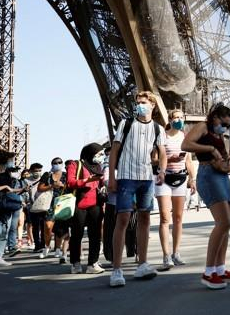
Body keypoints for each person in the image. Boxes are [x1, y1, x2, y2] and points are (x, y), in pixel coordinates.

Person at [108, 91, 167, 287]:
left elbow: (162, 152)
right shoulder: (126, 124)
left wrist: (162, 171)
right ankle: (117, 269)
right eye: (138, 102)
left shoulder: (158, 128)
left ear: (152, 105)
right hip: (126, 176)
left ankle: (142, 263)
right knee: (123, 218)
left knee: (145, 218)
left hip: (146, 178)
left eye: (143, 102)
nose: (139, 105)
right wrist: (111, 177)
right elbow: (114, 150)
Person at [182, 103, 230, 290]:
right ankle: (208, 272)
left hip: (221, 176)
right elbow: (186, 144)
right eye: (223, 123)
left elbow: (222, 155)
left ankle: (220, 268)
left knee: (225, 225)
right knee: (223, 223)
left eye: (227, 126)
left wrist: (227, 159)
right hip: (208, 175)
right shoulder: (203, 127)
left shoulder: (218, 133)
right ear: (215, 117)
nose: (225, 128)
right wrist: (209, 149)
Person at [156, 109, 196, 270]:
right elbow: (153, 158)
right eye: (176, 118)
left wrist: (192, 179)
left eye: (181, 118)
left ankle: (176, 253)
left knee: (178, 218)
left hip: (180, 178)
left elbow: (189, 161)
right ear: (170, 120)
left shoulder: (184, 137)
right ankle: (166, 256)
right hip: (164, 178)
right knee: (165, 218)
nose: (179, 120)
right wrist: (167, 159)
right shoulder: (162, 136)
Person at [67, 144, 105, 274]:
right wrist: (87, 180)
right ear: (90, 153)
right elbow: (70, 182)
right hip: (79, 204)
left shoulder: (98, 167)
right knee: (77, 235)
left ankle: (92, 264)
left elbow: (100, 184)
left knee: (95, 235)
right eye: (98, 154)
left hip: (95, 204)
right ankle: (75, 263)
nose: (101, 156)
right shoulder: (75, 164)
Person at [37, 157, 68, 260]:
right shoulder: (47, 175)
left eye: (59, 162)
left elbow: (69, 187)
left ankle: (58, 249)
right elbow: (40, 188)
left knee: (60, 227)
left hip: (62, 202)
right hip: (49, 203)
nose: (57, 164)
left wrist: (62, 185)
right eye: (55, 163)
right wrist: (51, 186)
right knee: (48, 226)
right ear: (51, 164)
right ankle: (46, 247)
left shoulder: (66, 175)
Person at [26, 163, 45, 252]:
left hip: (44, 206)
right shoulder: (26, 181)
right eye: (36, 171)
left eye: (39, 171)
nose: (38, 172)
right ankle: (37, 244)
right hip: (32, 206)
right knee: (35, 226)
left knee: (44, 226)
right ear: (31, 171)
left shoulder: (44, 180)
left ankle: (43, 244)